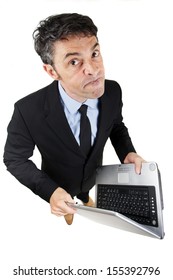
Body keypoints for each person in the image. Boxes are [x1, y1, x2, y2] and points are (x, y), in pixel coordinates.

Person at [3, 13, 145, 225]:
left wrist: (127, 152)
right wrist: (50, 191)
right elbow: (14, 159)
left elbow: (116, 126)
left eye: (94, 53)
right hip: (59, 183)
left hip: (93, 176)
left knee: (85, 194)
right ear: (52, 71)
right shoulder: (27, 110)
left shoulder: (113, 91)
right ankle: (71, 210)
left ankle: (85, 197)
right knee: (69, 207)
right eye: (74, 61)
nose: (93, 70)